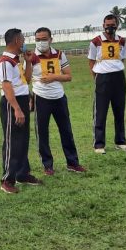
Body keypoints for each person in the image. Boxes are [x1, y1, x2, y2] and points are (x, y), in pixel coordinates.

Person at [31, 27, 85, 175]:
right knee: (42, 133)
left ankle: (73, 163)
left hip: (59, 97)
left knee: (66, 131)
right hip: (40, 98)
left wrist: (53, 77)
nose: (41, 42)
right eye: (37, 39)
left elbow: (68, 76)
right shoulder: (32, 57)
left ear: (50, 40)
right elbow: (26, 77)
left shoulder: (60, 54)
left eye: (44, 39)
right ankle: (47, 165)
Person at [0, 28, 42, 194]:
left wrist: (28, 62)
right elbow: (6, 86)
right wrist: (16, 108)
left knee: (23, 139)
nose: (24, 43)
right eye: (23, 40)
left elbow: (26, 80)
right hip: (12, 104)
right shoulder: (5, 62)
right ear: (16, 41)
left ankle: (22, 174)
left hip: (21, 101)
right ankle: (7, 179)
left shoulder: (16, 61)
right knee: (12, 141)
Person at [88, 14, 126, 154]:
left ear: (117, 26)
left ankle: (120, 141)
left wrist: (115, 68)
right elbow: (91, 61)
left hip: (119, 77)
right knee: (100, 111)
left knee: (119, 110)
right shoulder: (96, 41)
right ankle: (99, 144)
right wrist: (96, 76)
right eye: (107, 25)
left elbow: (122, 59)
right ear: (103, 25)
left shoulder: (122, 41)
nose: (110, 28)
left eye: (112, 25)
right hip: (102, 78)